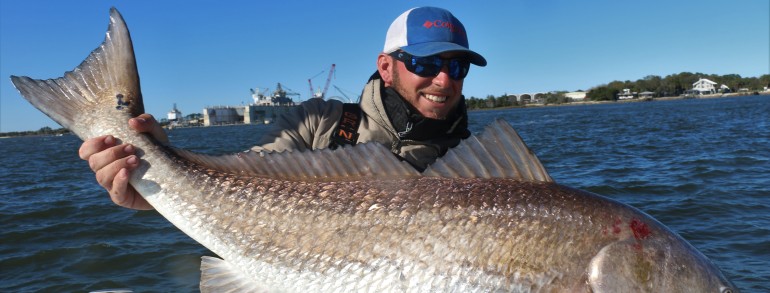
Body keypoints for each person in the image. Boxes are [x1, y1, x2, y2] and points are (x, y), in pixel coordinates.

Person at [78, 6, 487, 210]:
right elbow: (236, 184)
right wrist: (154, 182)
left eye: (457, 66)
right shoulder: (319, 123)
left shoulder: (481, 168)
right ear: (386, 67)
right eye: (425, 63)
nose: (444, 79)